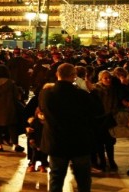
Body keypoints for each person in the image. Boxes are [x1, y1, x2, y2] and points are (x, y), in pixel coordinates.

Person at [39, 63, 96, 192]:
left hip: (56, 141)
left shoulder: (46, 94)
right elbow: (95, 113)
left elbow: (44, 112)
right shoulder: (82, 95)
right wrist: (92, 91)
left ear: (57, 74)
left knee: (56, 177)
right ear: (74, 76)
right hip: (79, 141)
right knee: (83, 179)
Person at [0, 64, 25, 153]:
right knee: (12, 126)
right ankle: (16, 144)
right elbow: (16, 96)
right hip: (9, 107)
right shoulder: (10, 83)